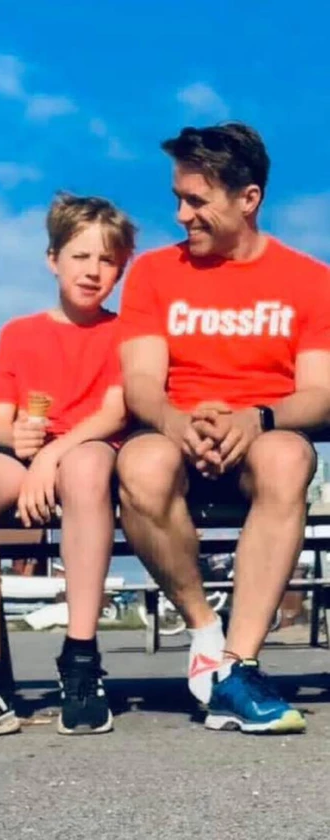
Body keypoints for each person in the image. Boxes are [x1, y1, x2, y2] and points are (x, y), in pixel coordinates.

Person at [117, 122, 330, 734]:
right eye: (178, 199)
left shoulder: (310, 280)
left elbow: (319, 392)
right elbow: (141, 382)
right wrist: (176, 421)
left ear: (248, 198)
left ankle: (239, 667)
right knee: (139, 464)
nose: (181, 215)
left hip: (262, 438)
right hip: (176, 436)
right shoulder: (155, 273)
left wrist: (257, 418)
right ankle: (207, 633)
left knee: (289, 457)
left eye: (197, 201)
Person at [0, 194, 135, 740]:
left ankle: (81, 659)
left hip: (88, 450)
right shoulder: (19, 333)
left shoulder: (124, 333)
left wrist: (52, 456)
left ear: (121, 269)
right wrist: (15, 436)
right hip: (27, 459)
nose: (92, 270)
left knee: (85, 469)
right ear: (53, 260)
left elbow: (115, 414)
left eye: (107, 260)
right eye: (80, 256)